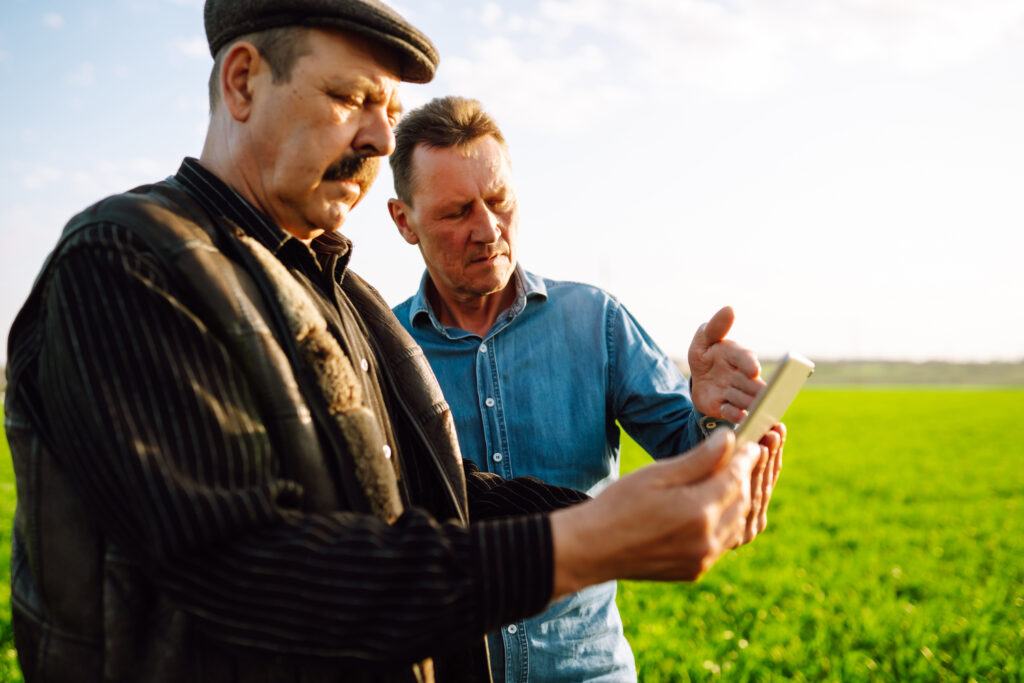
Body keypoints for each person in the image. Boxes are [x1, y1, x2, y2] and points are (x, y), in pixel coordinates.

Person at [4, 2, 781, 682]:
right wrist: (576, 542)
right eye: (352, 98)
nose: (381, 137)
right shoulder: (127, 261)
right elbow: (239, 565)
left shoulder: (337, 290)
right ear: (242, 82)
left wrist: (675, 491)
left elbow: (435, 494)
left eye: (389, 108)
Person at [388, 96, 784, 682]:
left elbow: (695, 460)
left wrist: (712, 418)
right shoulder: (382, 348)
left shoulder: (596, 319)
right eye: (457, 212)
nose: (488, 229)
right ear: (404, 221)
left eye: (499, 201)